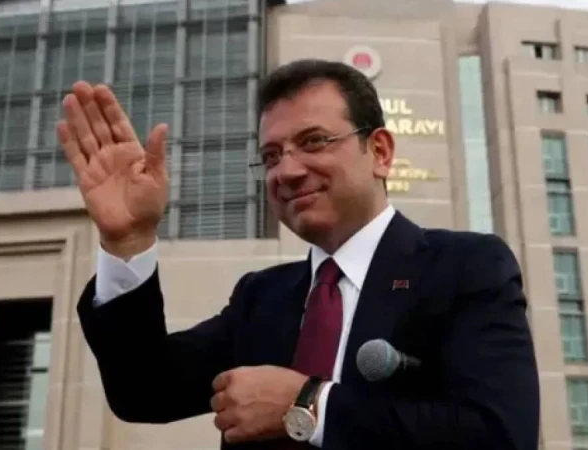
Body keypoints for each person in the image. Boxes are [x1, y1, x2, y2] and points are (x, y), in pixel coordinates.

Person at [58, 59, 540, 450]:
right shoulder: (261, 297)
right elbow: (143, 391)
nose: (287, 171)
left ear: (380, 152)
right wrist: (128, 239)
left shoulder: (464, 268)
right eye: (271, 155)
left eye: (314, 142)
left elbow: (498, 435)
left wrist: (309, 404)